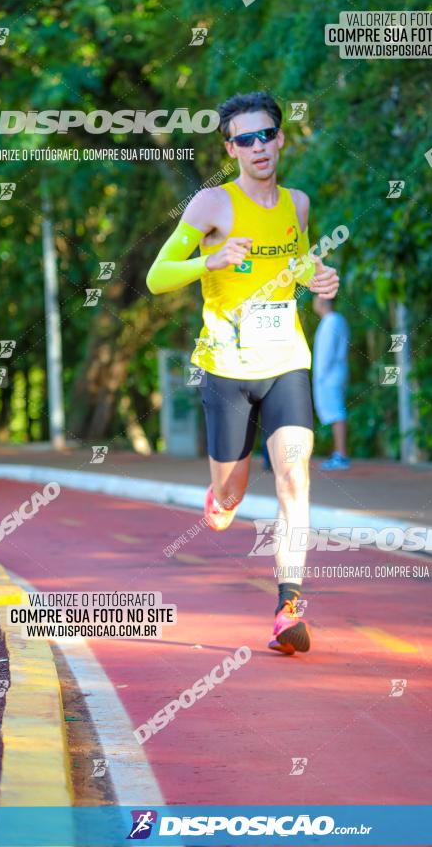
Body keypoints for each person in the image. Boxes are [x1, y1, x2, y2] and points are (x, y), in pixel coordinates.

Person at [147, 92, 338, 655]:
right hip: (226, 370)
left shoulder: (297, 203)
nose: (258, 147)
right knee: (230, 496)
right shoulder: (210, 205)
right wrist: (211, 258)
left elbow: (297, 262)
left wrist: (318, 277)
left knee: (294, 478)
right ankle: (222, 496)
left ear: (281, 138)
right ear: (230, 148)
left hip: (285, 363)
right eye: (244, 139)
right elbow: (158, 277)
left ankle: (288, 607)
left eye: (266, 135)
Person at [312, 297, 350, 470]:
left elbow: (327, 353)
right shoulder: (337, 320)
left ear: (321, 302)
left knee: (336, 413)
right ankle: (339, 453)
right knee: (336, 413)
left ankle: (341, 454)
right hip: (336, 373)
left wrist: (320, 376)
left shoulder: (331, 321)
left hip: (329, 375)